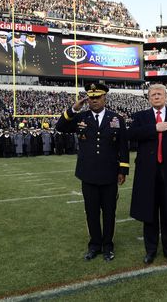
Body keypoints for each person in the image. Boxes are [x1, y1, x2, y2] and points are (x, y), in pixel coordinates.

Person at [55, 82, 129, 262]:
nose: (93, 101)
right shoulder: (81, 117)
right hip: (88, 174)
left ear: (105, 97)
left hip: (110, 174)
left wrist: (123, 170)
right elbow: (60, 126)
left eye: (97, 97)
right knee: (91, 212)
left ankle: (108, 245)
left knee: (109, 212)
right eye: (91, 98)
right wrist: (73, 109)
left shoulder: (116, 118)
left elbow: (123, 146)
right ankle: (94, 245)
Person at [128, 84, 167, 266]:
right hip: (147, 174)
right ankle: (150, 251)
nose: (156, 96)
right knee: (149, 214)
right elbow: (131, 134)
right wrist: (155, 128)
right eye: (153, 94)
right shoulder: (140, 117)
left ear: (166, 96)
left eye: (159, 93)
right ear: (149, 98)